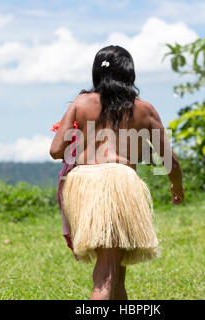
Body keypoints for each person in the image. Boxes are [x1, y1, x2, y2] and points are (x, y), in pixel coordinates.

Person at [50, 45, 184, 300]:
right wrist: (176, 186)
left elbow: (57, 150)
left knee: (116, 272)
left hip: (82, 184)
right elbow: (169, 160)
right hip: (117, 184)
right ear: (129, 74)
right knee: (107, 276)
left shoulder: (81, 102)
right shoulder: (144, 109)